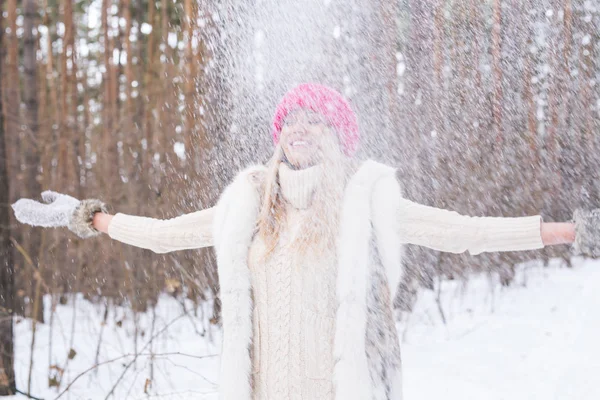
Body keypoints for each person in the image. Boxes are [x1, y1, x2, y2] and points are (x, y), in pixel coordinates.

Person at [11, 83, 600, 400]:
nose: (298, 128)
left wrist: (566, 231)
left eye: (313, 120)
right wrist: (91, 218)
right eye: (290, 119)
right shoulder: (248, 202)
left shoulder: (363, 200)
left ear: (335, 136)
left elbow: (462, 233)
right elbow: (167, 237)